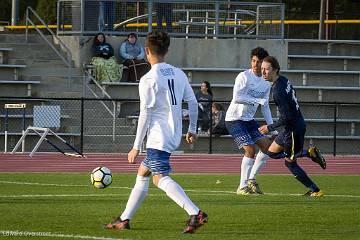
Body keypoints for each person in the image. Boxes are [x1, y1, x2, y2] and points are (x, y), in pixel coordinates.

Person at [104, 31, 208, 234]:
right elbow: (193, 102)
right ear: (167, 51)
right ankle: (124, 219)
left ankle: (196, 213)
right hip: (174, 133)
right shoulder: (178, 73)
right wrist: (192, 129)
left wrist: (135, 147)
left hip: (158, 136)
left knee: (159, 177)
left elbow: (145, 113)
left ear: (147, 51)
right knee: (143, 173)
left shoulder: (148, 78)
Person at [259, 56, 327, 197]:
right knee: (271, 152)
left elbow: (286, 117)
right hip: (292, 126)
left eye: (266, 69)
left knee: (290, 163)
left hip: (293, 130)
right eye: (262, 69)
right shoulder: (283, 80)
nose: (263, 72)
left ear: (275, 70)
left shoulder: (277, 91)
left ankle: (316, 190)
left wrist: (269, 127)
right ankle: (308, 153)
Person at [225, 47, 274, 195]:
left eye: (258, 62)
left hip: (249, 120)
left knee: (268, 148)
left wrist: (271, 126)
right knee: (250, 150)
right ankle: (242, 187)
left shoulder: (266, 82)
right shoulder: (243, 76)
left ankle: (251, 179)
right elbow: (237, 98)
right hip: (234, 119)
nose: (255, 64)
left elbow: (265, 106)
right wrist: (256, 100)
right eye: (253, 61)